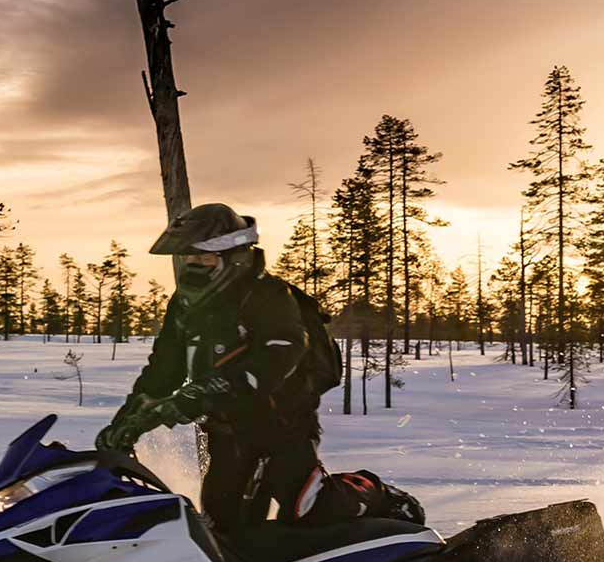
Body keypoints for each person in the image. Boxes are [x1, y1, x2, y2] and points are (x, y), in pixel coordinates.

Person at [96, 203, 422, 536]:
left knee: (308, 509)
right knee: (222, 529)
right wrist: (126, 422)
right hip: (225, 433)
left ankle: (376, 493)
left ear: (234, 256)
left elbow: (279, 356)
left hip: (282, 427)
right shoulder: (184, 305)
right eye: (187, 258)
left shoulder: (269, 296)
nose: (192, 265)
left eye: (203, 258)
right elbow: (162, 371)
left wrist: (203, 392)